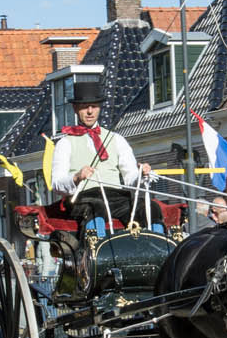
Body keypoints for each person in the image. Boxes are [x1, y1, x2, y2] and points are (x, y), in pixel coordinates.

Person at [49, 76, 152, 227]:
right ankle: (96, 242)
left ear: (99, 107)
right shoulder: (65, 143)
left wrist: (141, 175)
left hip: (115, 198)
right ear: (75, 108)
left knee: (149, 208)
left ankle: (153, 241)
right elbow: (56, 183)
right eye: (85, 107)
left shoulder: (116, 139)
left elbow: (130, 178)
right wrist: (77, 177)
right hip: (83, 199)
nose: (90, 111)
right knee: (96, 207)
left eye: (94, 106)